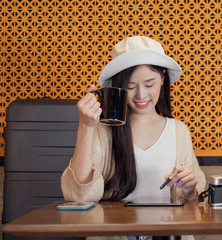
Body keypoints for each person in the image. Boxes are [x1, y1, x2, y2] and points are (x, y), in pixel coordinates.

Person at [61, 36, 206, 240]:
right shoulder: (102, 131)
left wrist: (191, 190)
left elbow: (196, 203)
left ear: (163, 79)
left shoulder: (179, 130)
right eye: (130, 86)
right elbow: (79, 197)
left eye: (149, 83)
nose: (141, 95)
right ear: (118, 87)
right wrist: (86, 127)